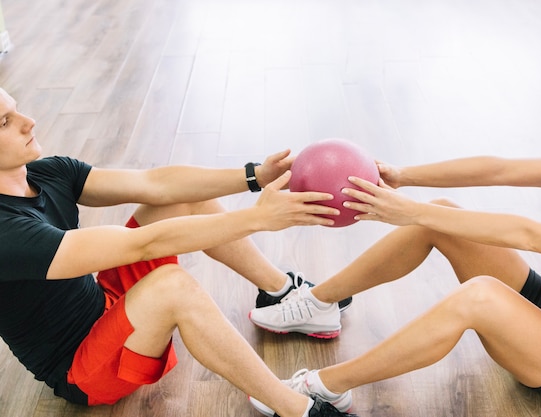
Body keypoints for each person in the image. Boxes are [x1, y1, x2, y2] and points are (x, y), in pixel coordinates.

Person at [248, 79, 541, 414]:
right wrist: (403, 177)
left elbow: (531, 234)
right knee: (440, 216)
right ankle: (319, 303)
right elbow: (497, 170)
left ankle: (327, 387)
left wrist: (411, 212)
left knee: (477, 294)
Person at [0, 87, 358, 417]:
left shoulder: (46, 174)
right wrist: (258, 218)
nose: (28, 121)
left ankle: (280, 292)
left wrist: (256, 176)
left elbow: (154, 184)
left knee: (179, 198)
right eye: (6, 122)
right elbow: (144, 244)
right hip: (82, 369)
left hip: (105, 304)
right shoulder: (5, 234)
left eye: (16, 111)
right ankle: (292, 406)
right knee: (172, 286)